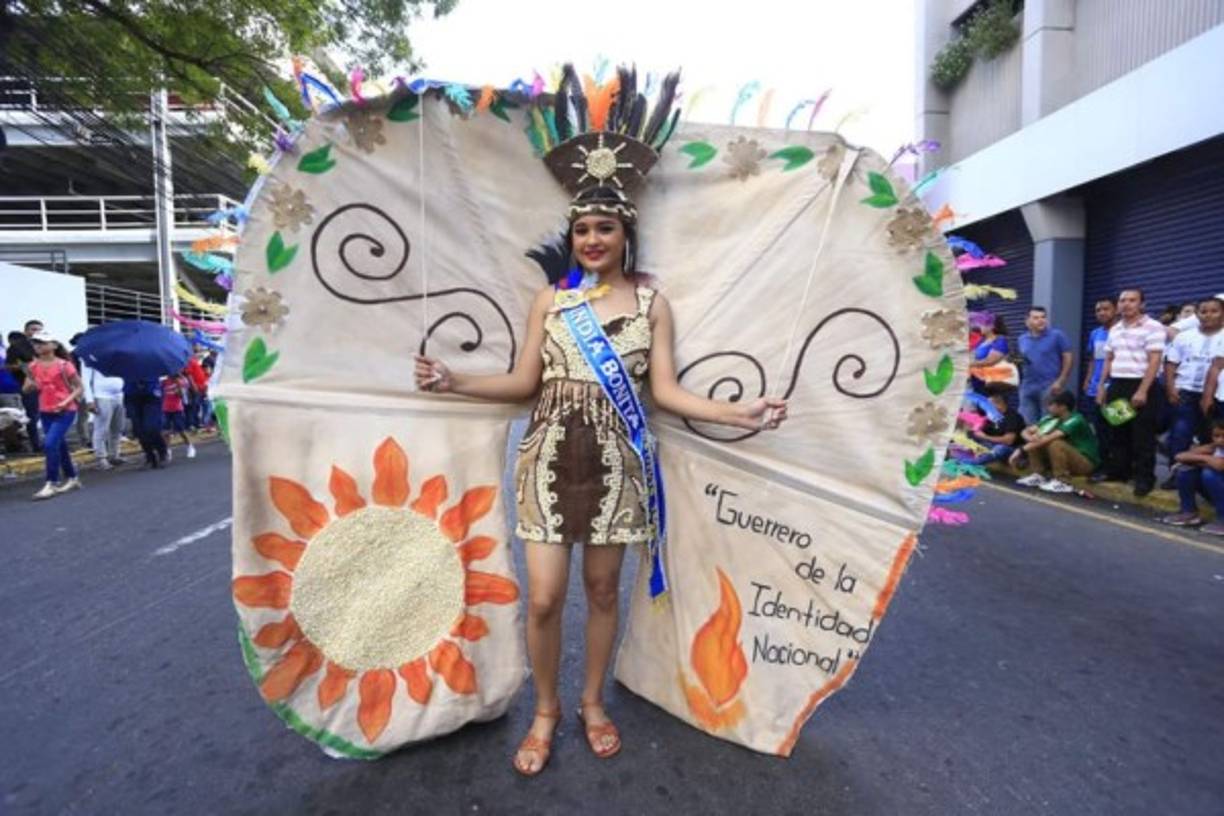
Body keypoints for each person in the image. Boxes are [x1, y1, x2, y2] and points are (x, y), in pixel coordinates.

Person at [414, 114, 788, 774]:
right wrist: (454, 379)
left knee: (604, 590)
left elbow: (666, 392)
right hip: (549, 459)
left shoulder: (652, 306)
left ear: (625, 235)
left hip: (618, 464)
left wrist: (740, 411)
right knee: (545, 597)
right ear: (573, 236)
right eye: (583, 228)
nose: (592, 239)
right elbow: (522, 382)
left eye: (605, 228)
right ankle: (545, 709)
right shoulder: (549, 302)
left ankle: (591, 703)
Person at [1095, 288, 1165, 496]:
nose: (1126, 304)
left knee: (1143, 436)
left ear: (1142, 304)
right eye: (1123, 300)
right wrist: (1102, 386)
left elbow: (1155, 360)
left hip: (1142, 385)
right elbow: (1109, 359)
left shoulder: (1153, 327)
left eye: (1132, 300)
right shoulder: (1115, 329)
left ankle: (1145, 478)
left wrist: (1142, 390)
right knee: (1119, 431)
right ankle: (1120, 472)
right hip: (1118, 384)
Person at [1163, 296, 1223, 475]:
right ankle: (1176, 473)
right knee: (1180, 433)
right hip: (1186, 392)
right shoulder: (1184, 337)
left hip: (1214, 396)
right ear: (1197, 314)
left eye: (1214, 311)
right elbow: (1171, 363)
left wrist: (1208, 396)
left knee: (1210, 436)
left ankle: (1202, 475)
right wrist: (1170, 388)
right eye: (1203, 311)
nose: (1208, 315)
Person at [23, 331, 84, 499]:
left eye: (42, 342)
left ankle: (52, 483)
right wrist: (31, 384)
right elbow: (26, 389)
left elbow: (79, 387)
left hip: (66, 410)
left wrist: (65, 402)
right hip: (45, 410)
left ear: (53, 345)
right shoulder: (33, 366)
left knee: (50, 444)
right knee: (59, 445)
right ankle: (73, 478)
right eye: (35, 343)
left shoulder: (64, 365)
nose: (38, 346)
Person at [1011, 390, 1100, 493]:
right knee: (1035, 439)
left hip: (1086, 462)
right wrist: (1030, 437)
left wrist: (1020, 450)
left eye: (1051, 405)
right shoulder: (1050, 418)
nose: (1048, 408)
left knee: (1055, 443)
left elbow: (1050, 438)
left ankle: (1062, 481)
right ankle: (1039, 476)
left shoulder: (1076, 419)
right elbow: (1026, 431)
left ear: (1063, 407)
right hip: (1066, 460)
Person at [1161, 418, 1224, 536]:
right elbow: (1180, 456)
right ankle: (1188, 512)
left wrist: (1200, 460)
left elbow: (1219, 465)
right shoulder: (1214, 447)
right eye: (1217, 436)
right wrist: (1204, 460)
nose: (1220, 440)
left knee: (1208, 474)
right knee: (1185, 469)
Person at [1017, 306, 1072, 424]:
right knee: (1027, 423)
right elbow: (1023, 360)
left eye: (1043, 317)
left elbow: (1068, 358)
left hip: (1049, 386)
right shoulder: (1022, 339)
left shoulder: (1057, 336)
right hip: (1027, 387)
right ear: (1027, 321)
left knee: (1047, 424)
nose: (1041, 320)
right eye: (1036, 318)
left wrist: (1061, 381)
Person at [1081, 297, 1117, 451]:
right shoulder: (1095, 334)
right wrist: (1088, 380)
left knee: (1117, 426)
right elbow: (1093, 359)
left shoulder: (1122, 333)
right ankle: (1102, 460)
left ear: (1115, 310)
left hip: (1116, 389)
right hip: (1095, 389)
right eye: (1098, 310)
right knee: (1099, 427)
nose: (1102, 313)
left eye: (1106, 309)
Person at [81, 361, 126, 469]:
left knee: (117, 428)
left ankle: (114, 454)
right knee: (101, 428)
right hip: (101, 396)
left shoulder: (115, 354)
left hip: (119, 395)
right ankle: (101, 458)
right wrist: (89, 400)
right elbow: (85, 380)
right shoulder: (88, 357)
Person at [966, 384, 1024, 465]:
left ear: (999, 404)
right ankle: (973, 456)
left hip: (1011, 449)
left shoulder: (1012, 417)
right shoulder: (992, 416)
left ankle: (972, 463)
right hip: (992, 445)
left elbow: (1008, 441)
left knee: (1000, 448)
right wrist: (976, 429)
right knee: (969, 434)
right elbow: (980, 431)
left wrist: (985, 437)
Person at [6, 326, 41, 452]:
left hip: (32, 385)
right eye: (33, 329)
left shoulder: (14, 347)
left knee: (34, 415)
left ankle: (38, 444)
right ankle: (39, 444)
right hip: (37, 384)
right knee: (37, 415)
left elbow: (9, 366)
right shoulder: (31, 346)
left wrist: (24, 366)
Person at [124, 377, 168, 469]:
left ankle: (162, 452)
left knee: (151, 427)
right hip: (132, 396)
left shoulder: (151, 368)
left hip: (151, 395)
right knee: (139, 430)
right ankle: (150, 457)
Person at [967, 314, 1011, 393]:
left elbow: (990, 361)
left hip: (993, 383)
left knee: (995, 399)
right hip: (978, 382)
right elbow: (973, 355)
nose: (979, 326)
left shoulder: (999, 340)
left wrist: (969, 363)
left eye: (982, 324)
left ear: (991, 326)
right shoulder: (982, 341)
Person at [161, 371, 196, 459]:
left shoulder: (180, 381)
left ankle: (190, 446)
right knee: (166, 431)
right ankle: (167, 450)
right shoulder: (164, 382)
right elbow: (161, 393)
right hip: (166, 409)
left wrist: (178, 385)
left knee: (181, 430)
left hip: (177, 409)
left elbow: (181, 395)